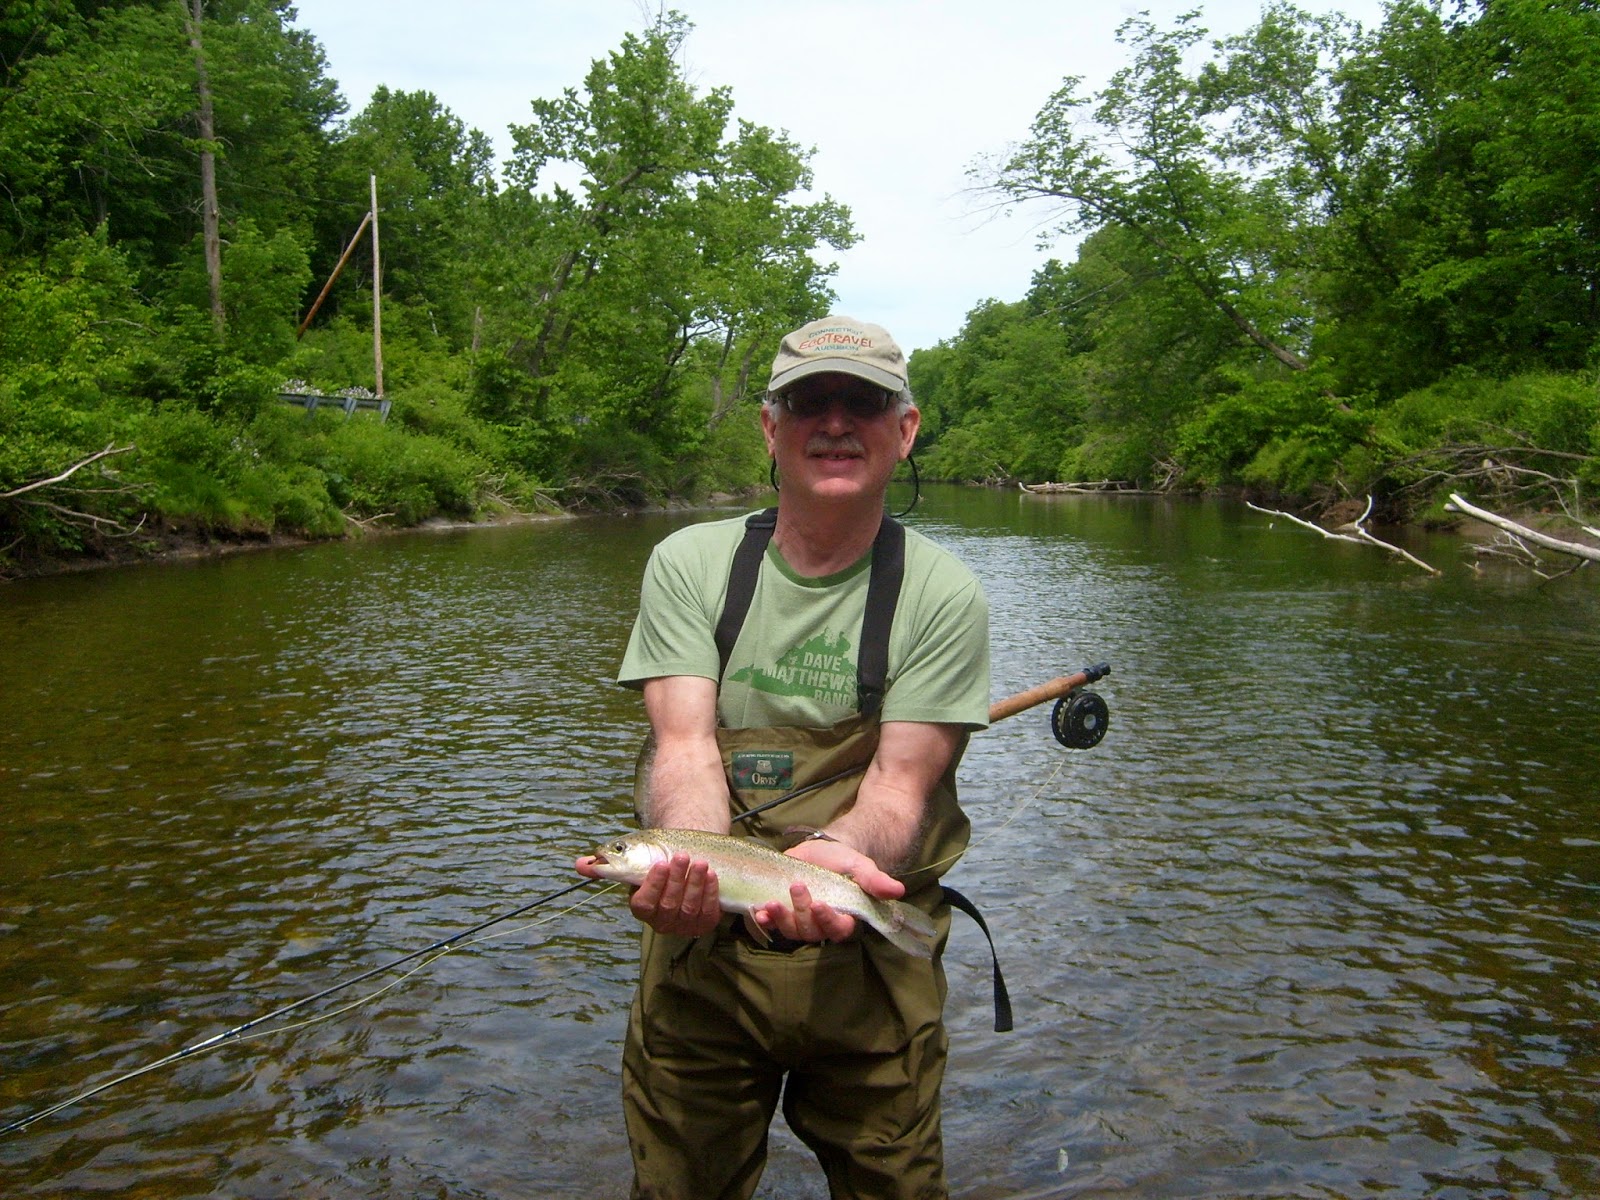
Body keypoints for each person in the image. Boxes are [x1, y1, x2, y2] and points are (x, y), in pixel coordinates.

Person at [576, 314, 991, 1200]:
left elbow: (899, 784)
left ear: (905, 428)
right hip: (705, 972)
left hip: (872, 968)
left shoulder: (943, 594)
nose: (834, 422)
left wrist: (843, 863)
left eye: (864, 402)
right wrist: (687, 864)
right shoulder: (691, 563)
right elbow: (684, 746)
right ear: (770, 427)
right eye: (808, 400)